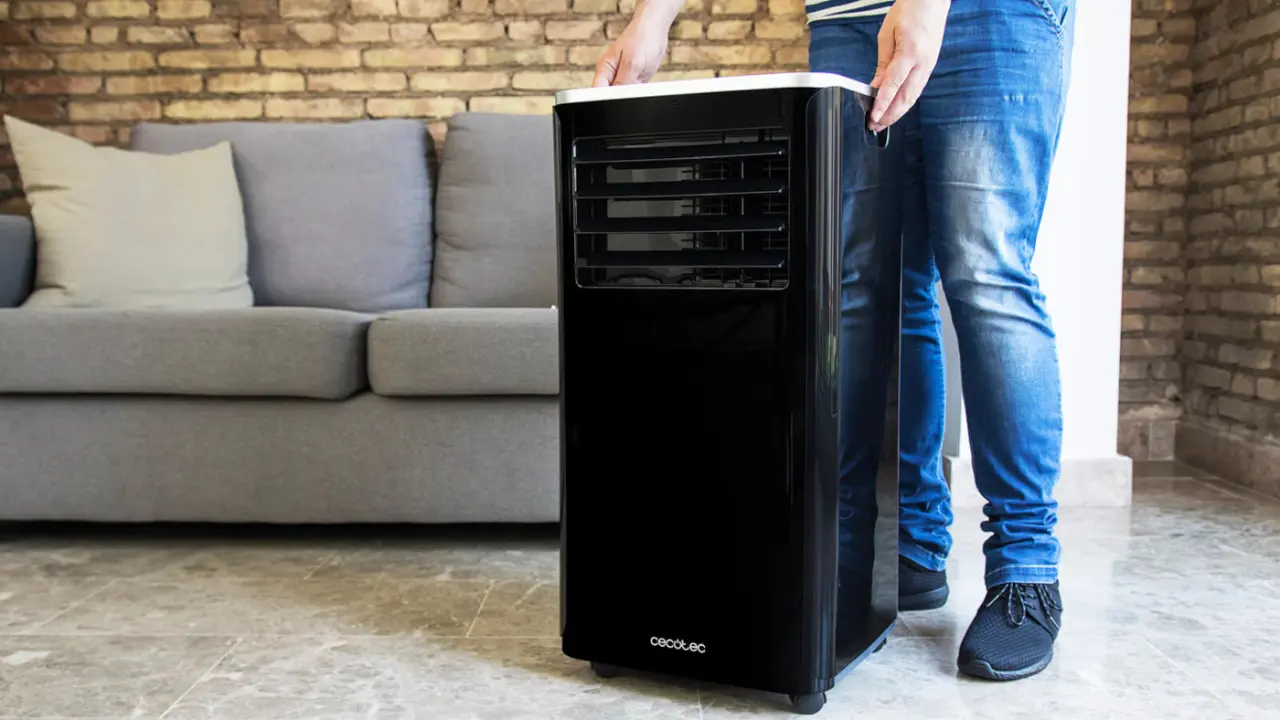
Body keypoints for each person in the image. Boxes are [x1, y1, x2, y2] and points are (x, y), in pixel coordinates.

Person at [592, 0, 1073, 681]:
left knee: (985, 271)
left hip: (989, 14)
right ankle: (906, 545)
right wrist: (654, 18)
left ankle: (1027, 570)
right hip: (849, 17)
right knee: (871, 284)